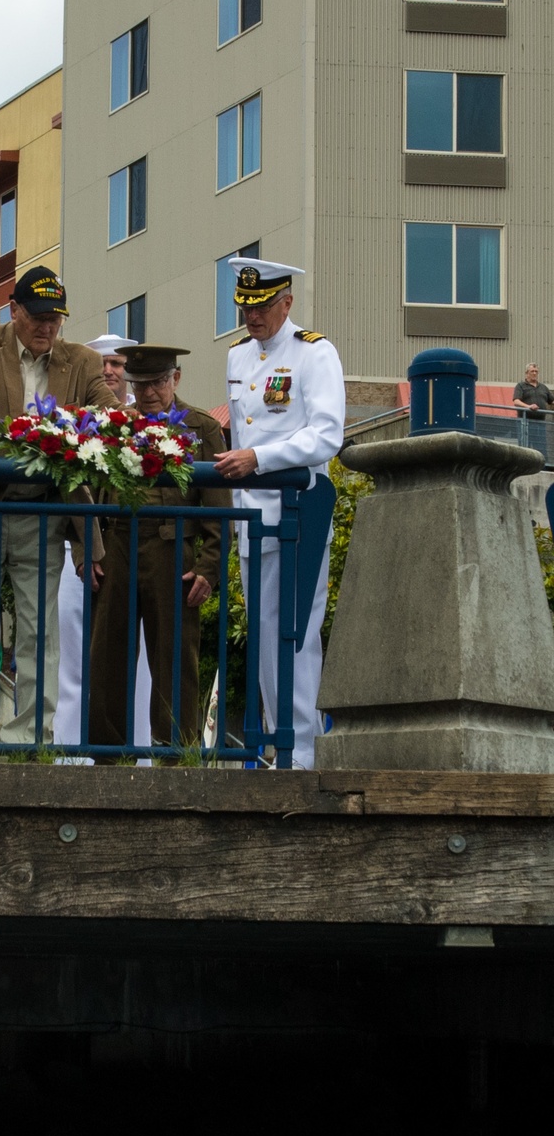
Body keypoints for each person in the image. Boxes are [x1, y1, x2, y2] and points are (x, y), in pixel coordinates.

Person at [0, 267, 118, 750]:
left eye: (55, 317)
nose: (47, 326)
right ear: (13, 310)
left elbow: (105, 408)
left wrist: (119, 423)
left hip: (44, 515)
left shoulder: (82, 360)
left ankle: (29, 742)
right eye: (37, 316)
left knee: (41, 634)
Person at [213, 257, 345, 769]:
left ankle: (303, 754)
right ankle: (275, 747)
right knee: (265, 637)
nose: (253, 317)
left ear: (286, 302)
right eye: (245, 307)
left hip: (297, 513)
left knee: (295, 636)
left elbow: (326, 433)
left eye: (263, 306)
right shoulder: (238, 357)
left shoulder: (314, 353)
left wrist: (260, 459)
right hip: (254, 519)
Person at [88, 346, 230, 754]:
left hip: (173, 550)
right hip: (114, 544)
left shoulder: (201, 427)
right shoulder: (113, 426)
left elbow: (219, 508)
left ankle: (176, 758)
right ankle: (108, 759)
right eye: (140, 384)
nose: (148, 393)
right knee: (107, 659)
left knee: (175, 662)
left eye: (157, 383)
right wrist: (85, 551)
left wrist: (209, 566)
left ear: (176, 379)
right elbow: (85, 490)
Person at [52, 334, 153, 759]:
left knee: (139, 664)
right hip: (78, 557)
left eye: (116, 364)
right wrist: (82, 553)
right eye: (102, 364)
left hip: (133, 558)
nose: (109, 371)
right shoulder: (71, 424)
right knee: (74, 659)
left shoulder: (145, 425)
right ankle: (71, 754)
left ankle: (139, 752)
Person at [512, 363, 553, 459]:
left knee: (541, 449)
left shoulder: (543, 387)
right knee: (524, 448)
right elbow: (516, 401)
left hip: (540, 423)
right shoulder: (521, 386)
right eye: (532, 371)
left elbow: (551, 401)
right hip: (525, 423)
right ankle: (523, 468)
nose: (534, 373)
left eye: (536, 371)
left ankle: (543, 468)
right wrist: (528, 406)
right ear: (527, 373)